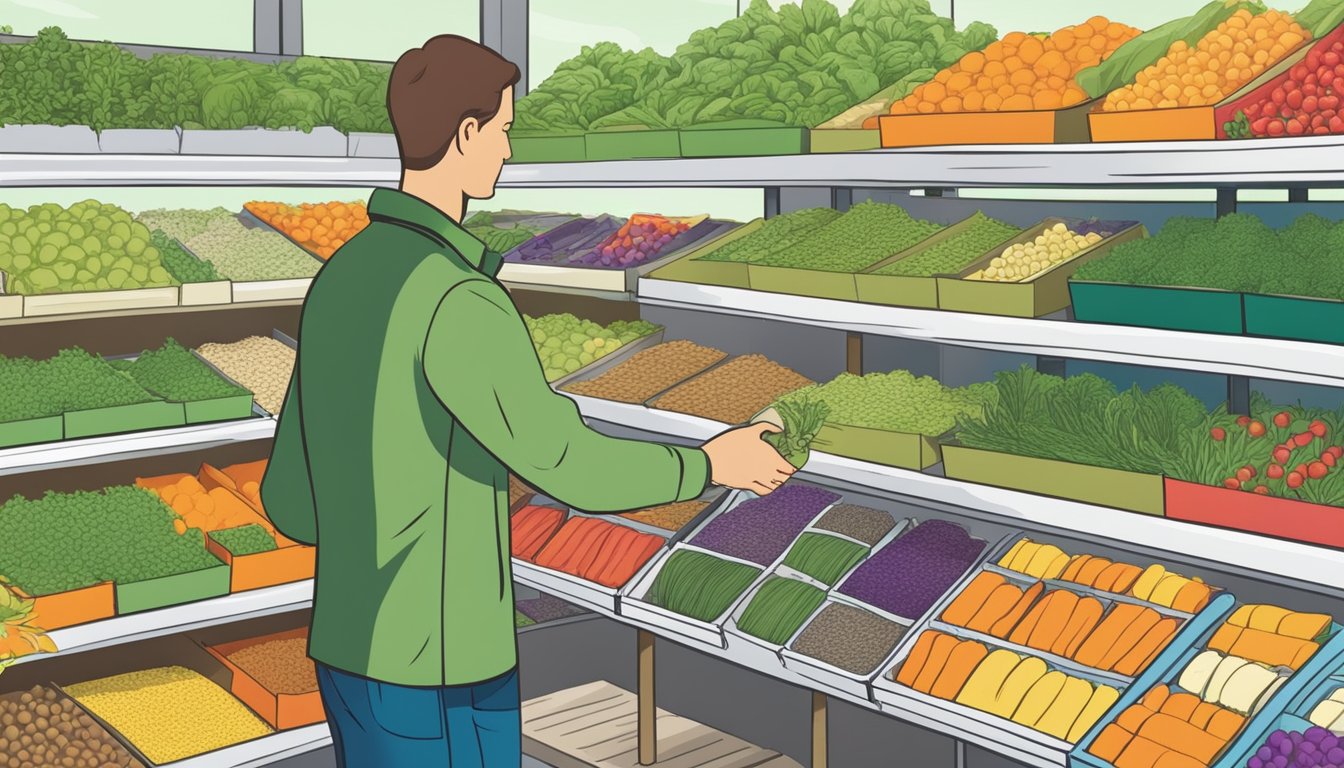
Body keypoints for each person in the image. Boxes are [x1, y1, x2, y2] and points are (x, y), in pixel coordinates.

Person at [259, 34, 797, 768]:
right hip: (441, 661)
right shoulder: (458, 296)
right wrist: (708, 465)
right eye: (504, 129)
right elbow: (569, 464)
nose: (508, 150)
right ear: (467, 132)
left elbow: (290, 496)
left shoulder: (344, 276)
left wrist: (390, 510)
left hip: (350, 648)